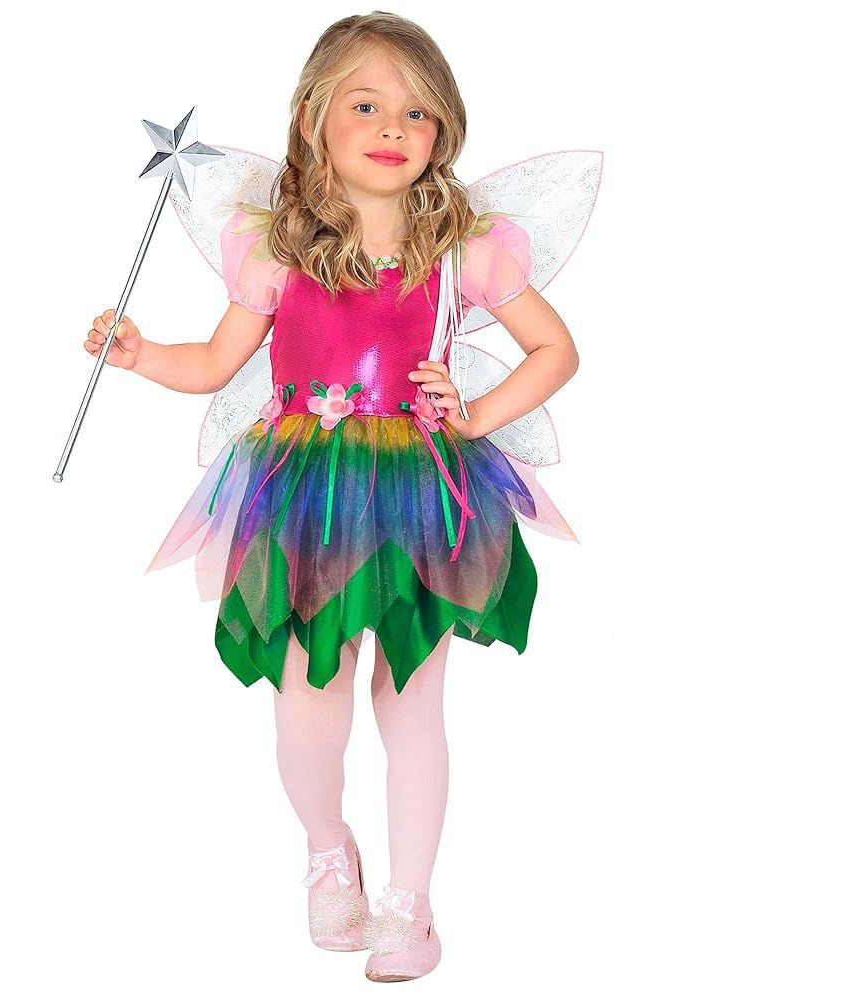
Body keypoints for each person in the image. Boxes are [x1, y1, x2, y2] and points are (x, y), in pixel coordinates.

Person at [84, 12, 582, 983]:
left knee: (411, 698)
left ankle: (410, 905)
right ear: (313, 117)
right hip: (305, 497)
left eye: (417, 113)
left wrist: (476, 414)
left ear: (442, 130)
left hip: (420, 495)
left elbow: (556, 349)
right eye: (365, 105)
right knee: (307, 702)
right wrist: (139, 355)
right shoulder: (277, 248)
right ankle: (326, 845)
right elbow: (214, 362)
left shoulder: (461, 249)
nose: (393, 127)